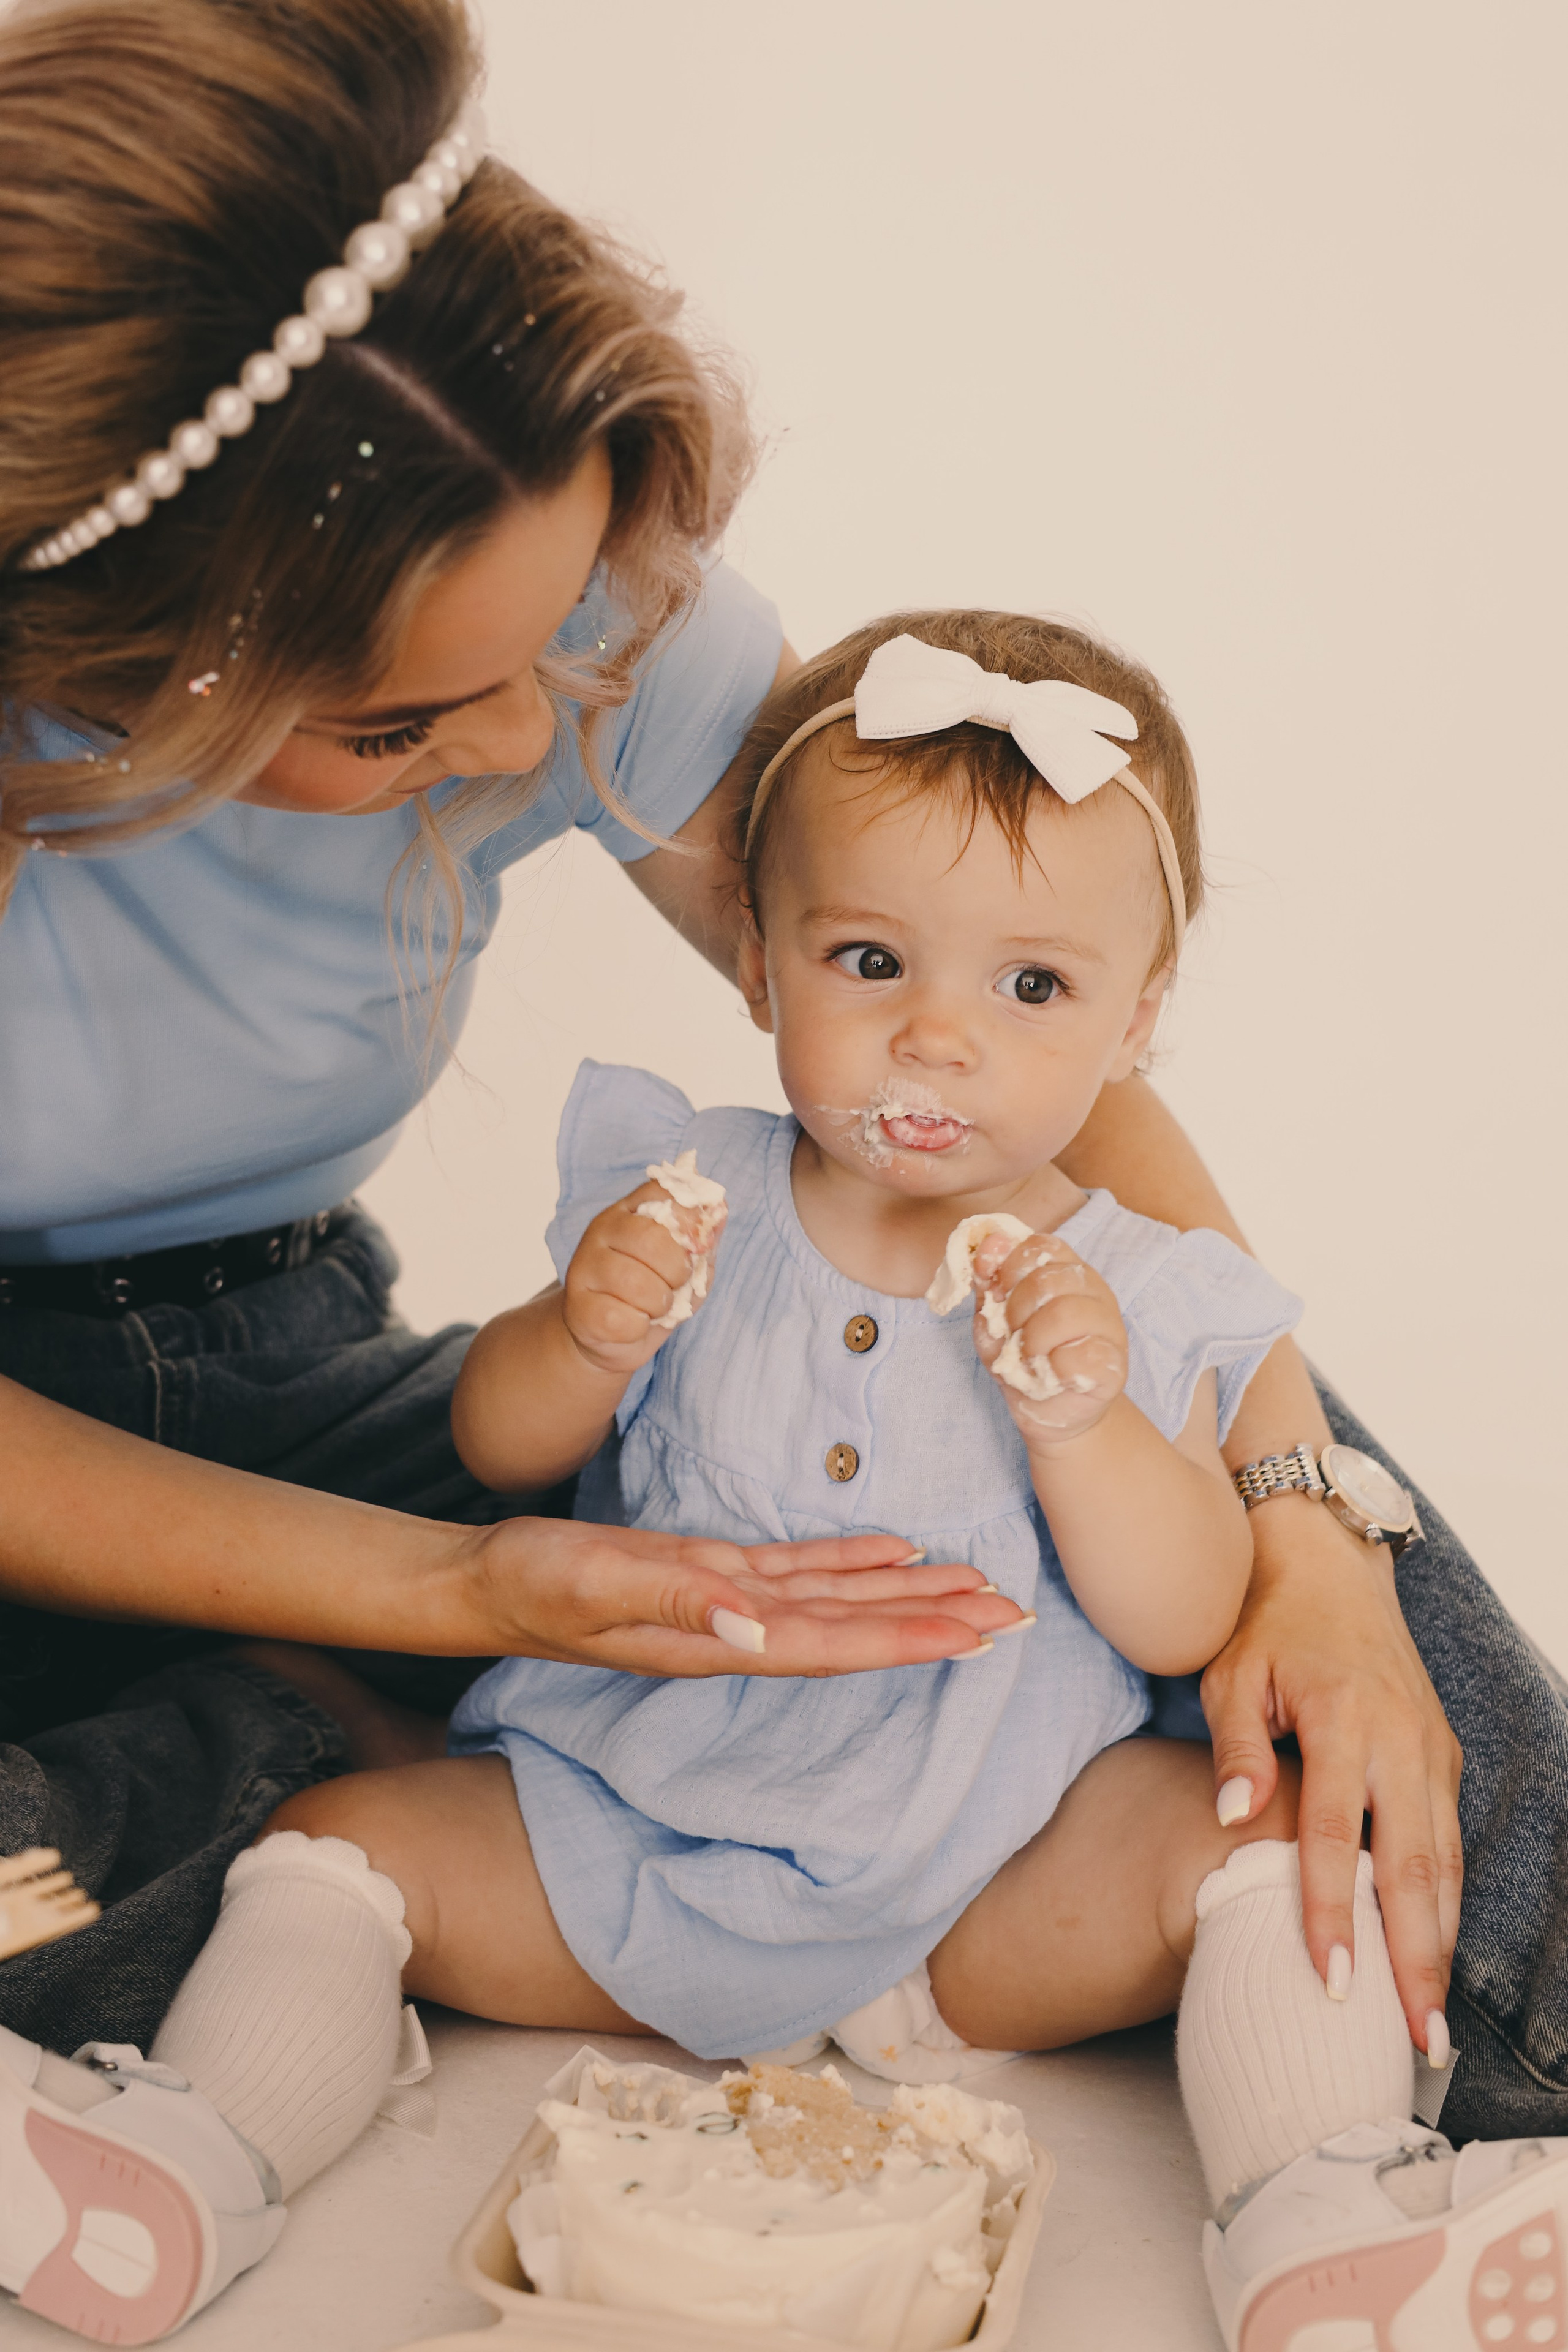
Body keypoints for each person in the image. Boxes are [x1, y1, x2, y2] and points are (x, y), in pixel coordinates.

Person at [0, 0, 1558, 2340]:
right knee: (284, 1785)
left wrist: (1307, 1518)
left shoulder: (557, 580)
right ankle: (293, 1783)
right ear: (101, 677)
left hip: (310, 1359)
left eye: (568, 644)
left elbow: (980, 1038)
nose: (545, 736)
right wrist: (469, 1603)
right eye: (406, 728)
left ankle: (1453, 2097)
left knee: (1248, 1482)